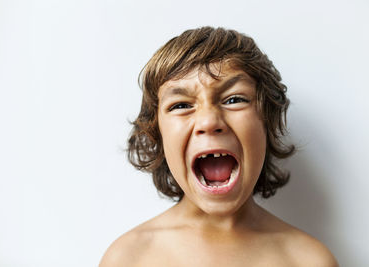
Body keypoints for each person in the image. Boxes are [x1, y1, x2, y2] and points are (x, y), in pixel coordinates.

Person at [99, 26, 338, 267]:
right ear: (157, 134)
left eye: (234, 100)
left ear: (267, 122)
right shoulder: (128, 258)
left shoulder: (309, 260)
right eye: (181, 105)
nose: (209, 121)